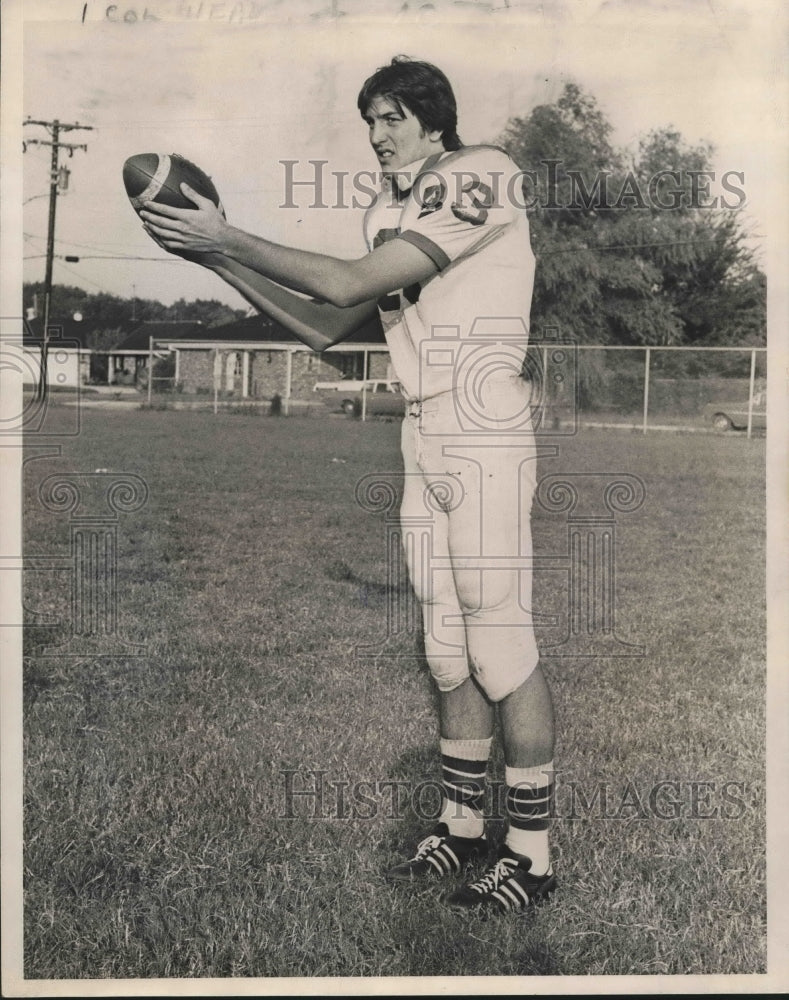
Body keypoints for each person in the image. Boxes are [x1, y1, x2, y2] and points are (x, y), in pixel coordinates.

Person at [140, 56, 557, 915]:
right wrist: (215, 262)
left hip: (483, 424)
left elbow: (345, 281)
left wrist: (226, 234)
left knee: (499, 647)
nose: (377, 136)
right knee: (445, 651)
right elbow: (331, 326)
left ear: (435, 122)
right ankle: (460, 825)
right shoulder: (388, 207)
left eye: (393, 118)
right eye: (370, 121)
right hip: (422, 426)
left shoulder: (482, 174)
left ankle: (532, 854)